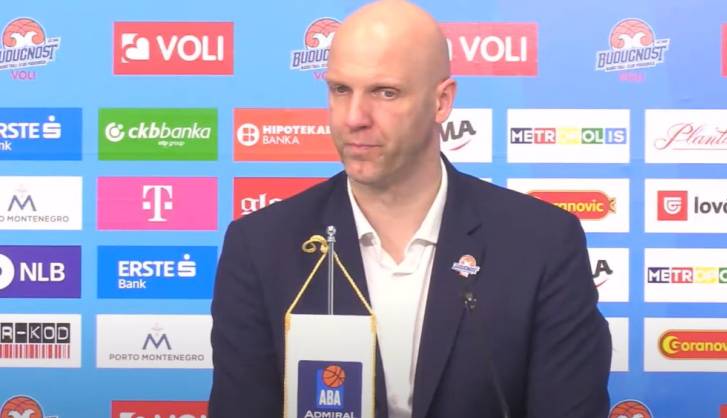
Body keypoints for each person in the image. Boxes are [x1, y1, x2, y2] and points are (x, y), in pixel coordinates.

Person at [209, 1, 612, 417]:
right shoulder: (260, 247)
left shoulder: (542, 243)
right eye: (340, 90)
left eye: (385, 92)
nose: (354, 117)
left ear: (442, 102)